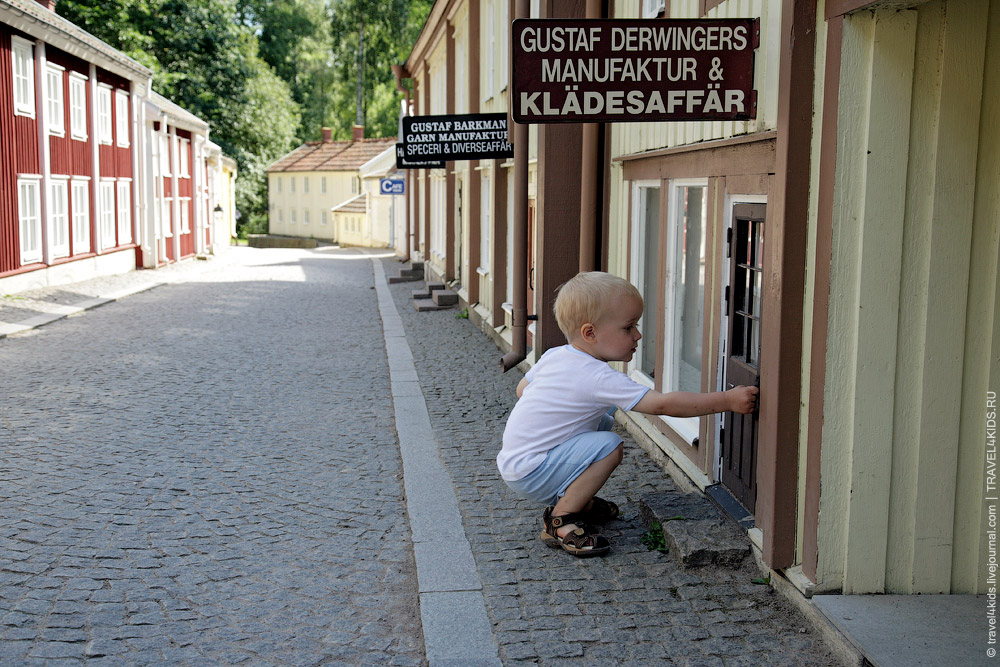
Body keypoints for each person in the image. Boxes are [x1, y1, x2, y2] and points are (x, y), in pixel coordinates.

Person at [498, 271, 759, 558]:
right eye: (628, 327)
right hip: (534, 470)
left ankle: (577, 498)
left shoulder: (555, 355)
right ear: (590, 333)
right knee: (609, 446)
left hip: (516, 462)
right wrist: (727, 399)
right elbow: (662, 405)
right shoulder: (596, 376)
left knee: (604, 415)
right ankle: (562, 518)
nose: (638, 335)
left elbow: (522, 390)